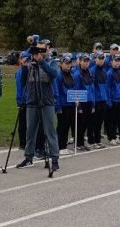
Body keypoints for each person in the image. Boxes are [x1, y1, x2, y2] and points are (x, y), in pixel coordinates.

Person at [15, 40, 59, 175]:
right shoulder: (29, 65)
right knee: (30, 131)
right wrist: (23, 67)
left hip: (46, 101)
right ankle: (28, 157)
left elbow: (54, 74)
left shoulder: (50, 62)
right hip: (32, 101)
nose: (37, 53)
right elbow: (22, 82)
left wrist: (42, 62)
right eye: (35, 50)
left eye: (40, 50)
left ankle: (54, 159)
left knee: (50, 130)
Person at [72, 54, 95, 151]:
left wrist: (93, 103)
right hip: (82, 102)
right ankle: (78, 143)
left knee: (86, 123)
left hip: (89, 101)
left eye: (87, 61)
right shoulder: (77, 75)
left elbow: (92, 88)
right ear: (80, 62)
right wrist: (79, 106)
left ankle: (82, 142)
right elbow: (76, 89)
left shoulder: (89, 73)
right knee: (80, 124)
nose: (86, 63)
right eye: (84, 61)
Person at [56, 54, 76, 154]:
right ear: (61, 64)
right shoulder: (58, 75)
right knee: (62, 126)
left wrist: (76, 99)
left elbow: (73, 88)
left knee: (67, 125)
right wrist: (58, 107)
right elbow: (57, 92)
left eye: (69, 63)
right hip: (63, 105)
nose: (69, 65)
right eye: (66, 63)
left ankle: (62, 145)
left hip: (71, 104)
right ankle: (60, 147)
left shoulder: (71, 74)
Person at [89, 52, 109, 148]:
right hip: (96, 99)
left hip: (103, 99)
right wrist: (92, 102)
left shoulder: (104, 71)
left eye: (102, 59)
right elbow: (91, 88)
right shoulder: (92, 71)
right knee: (94, 121)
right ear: (95, 59)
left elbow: (106, 86)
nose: (101, 60)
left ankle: (98, 140)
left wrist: (107, 98)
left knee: (100, 121)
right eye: (99, 59)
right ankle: (92, 141)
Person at [106, 54, 120, 145]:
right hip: (113, 100)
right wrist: (109, 101)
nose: (117, 63)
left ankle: (115, 136)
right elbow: (108, 88)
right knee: (111, 120)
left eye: (118, 61)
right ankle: (111, 137)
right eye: (115, 61)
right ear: (111, 62)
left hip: (119, 99)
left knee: (116, 120)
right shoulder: (109, 73)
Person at [15, 51, 30, 150]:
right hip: (24, 101)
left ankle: (28, 141)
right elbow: (20, 88)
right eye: (25, 60)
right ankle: (23, 143)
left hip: (30, 100)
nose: (27, 62)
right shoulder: (20, 72)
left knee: (30, 122)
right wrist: (20, 101)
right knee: (23, 123)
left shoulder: (30, 70)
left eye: (29, 60)